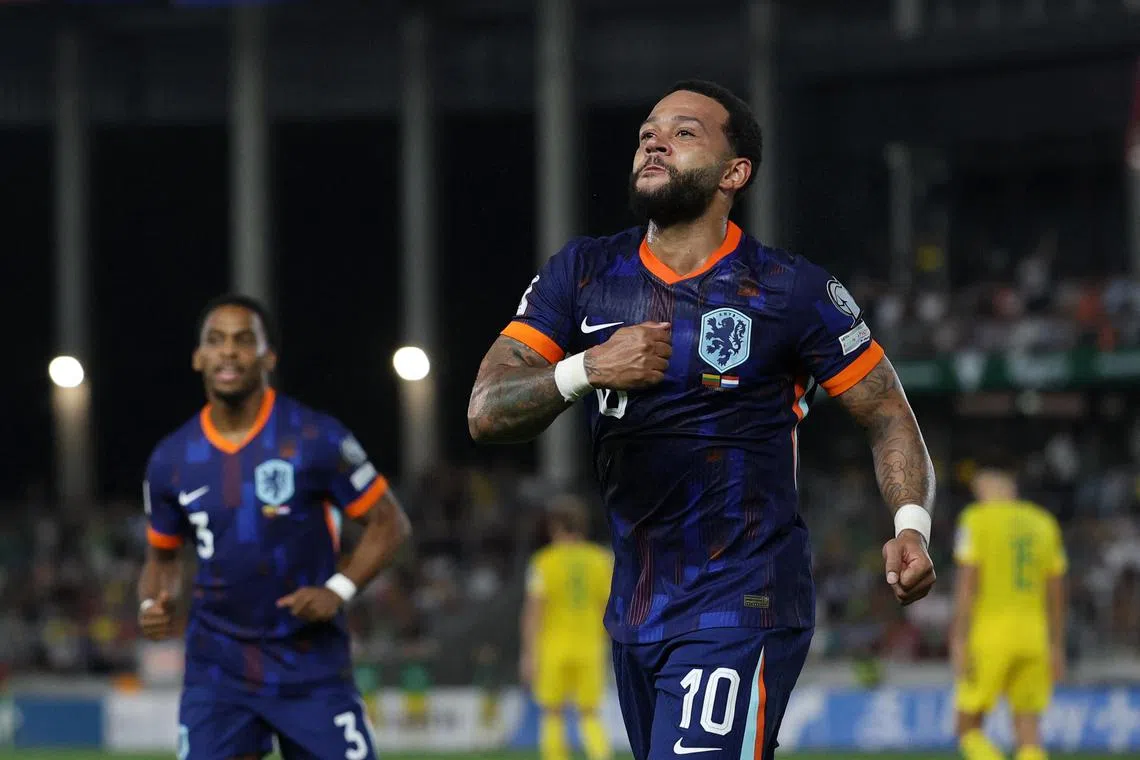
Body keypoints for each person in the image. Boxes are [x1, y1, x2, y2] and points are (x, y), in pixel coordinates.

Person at [468, 79, 937, 759]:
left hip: (743, 600)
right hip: (636, 608)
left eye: (684, 132)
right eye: (647, 132)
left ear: (734, 172)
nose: (653, 140)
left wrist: (911, 527)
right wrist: (585, 369)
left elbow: (888, 410)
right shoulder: (584, 272)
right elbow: (486, 409)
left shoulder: (789, 289)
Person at [138, 294, 411, 760]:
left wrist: (339, 589)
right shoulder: (171, 460)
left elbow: (390, 522)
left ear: (268, 357)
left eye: (244, 341)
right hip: (217, 671)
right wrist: (151, 600)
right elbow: (161, 558)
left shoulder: (315, 438)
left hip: (310, 667)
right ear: (198, 357)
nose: (229, 352)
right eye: (216, 341)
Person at [951, 462, 1068, 760]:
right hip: (1035, 637)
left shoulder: (975, 519)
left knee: (967, 728)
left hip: (990, 635)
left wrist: (958, 638)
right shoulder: (1044, 523)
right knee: (1028, 729)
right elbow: (1056, 591)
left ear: (987, 490)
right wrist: (1056, 645)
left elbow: (967, 586)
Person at [521, 495, 615, 760]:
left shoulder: (544, 562)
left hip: (552, 647)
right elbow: (607, 609)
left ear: (555, 527)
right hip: (590, 646)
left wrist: (528, 653)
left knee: (552, 712)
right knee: (590, 714)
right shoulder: (601, 560)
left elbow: (533, 611)